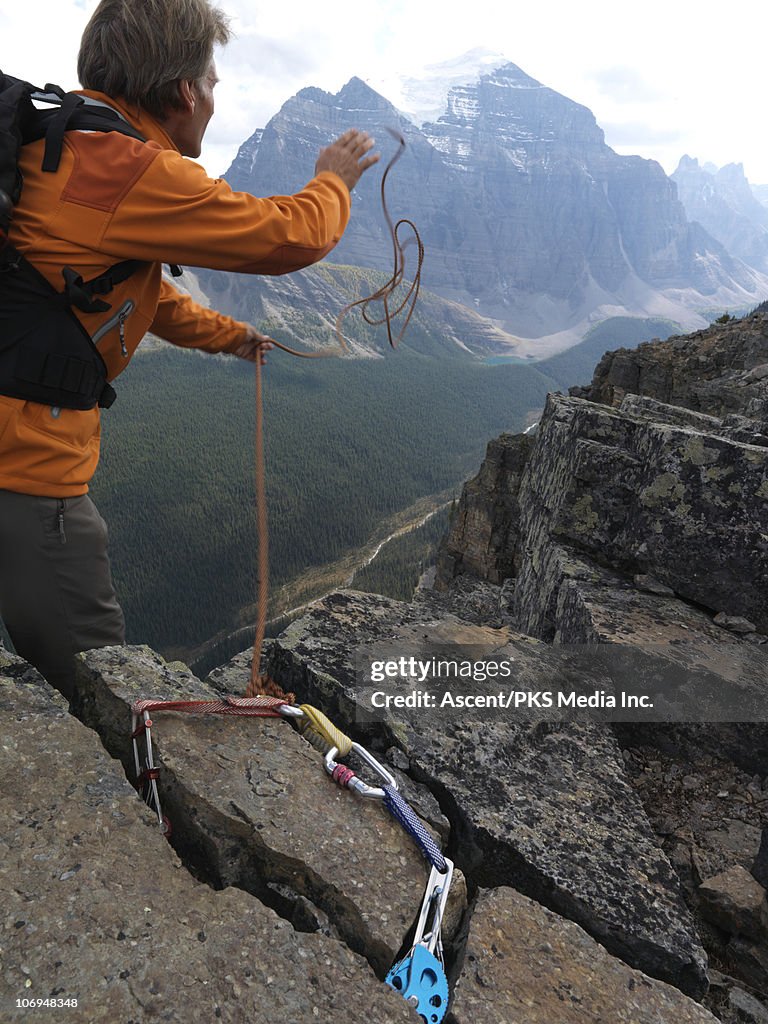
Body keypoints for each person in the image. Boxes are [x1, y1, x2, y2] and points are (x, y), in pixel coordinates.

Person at [0, 0, 379, 701]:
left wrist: (232, 336)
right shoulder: (130, 169)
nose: (212, 98)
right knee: (97, 682)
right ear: (183, 92)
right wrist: (333, 181)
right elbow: (285, 237)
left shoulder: (51, 143)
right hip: (24, 468)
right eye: (211, 83)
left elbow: (107, 292)